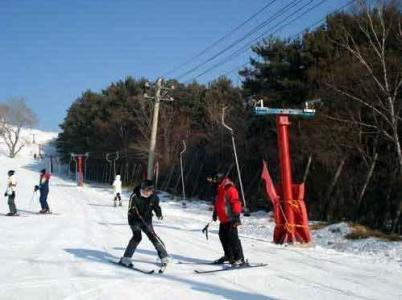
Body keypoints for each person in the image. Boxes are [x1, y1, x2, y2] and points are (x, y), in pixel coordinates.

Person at [119, 179, 169, 268]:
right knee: (137, 237)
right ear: (142, 189)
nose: (148, 193)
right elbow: (130, 209)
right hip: (134, 220)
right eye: (146, 191)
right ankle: (126, 258)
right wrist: (137, 216)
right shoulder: (135, 196)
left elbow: (156, 207)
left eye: (150, 191)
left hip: (147, 220)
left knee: (153, 237)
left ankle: (164, 257)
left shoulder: (154, 197)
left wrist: (159, 214)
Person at [211, 172, 245, 266]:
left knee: (233, 238)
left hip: (231, 218)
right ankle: (229, 256)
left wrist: (237, 217)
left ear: (220, 179)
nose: (214, 182)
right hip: (223, 219)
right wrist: (215, 212)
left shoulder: (229, 188)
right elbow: (218, 203)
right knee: (223, 237)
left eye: (215, 180)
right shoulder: (219, 189)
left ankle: (239, 258)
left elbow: (236, 202)